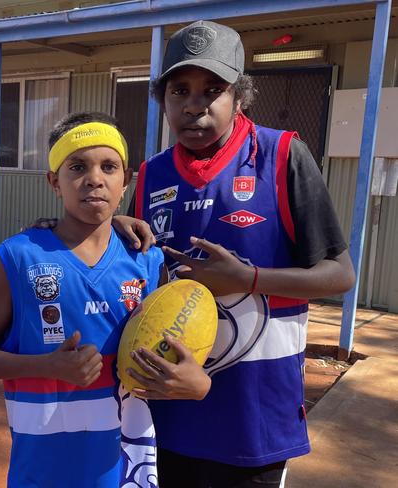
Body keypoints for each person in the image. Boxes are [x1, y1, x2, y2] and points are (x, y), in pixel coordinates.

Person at [129, 20, 356, 488]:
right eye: (179, 90)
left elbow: (338, 275)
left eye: (213, 89)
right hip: (166, 414)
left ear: (241, 96)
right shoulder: (151, 176)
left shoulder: (282, 155)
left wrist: (248, 279)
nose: (194, 106)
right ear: (163, 99)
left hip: (253, 420)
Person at [0, 112, 210, 488]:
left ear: (125, 181)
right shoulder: (19, 257)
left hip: (126, 467)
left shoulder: (146, 260)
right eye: (77, 166)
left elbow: (173, 354)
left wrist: (196, 384)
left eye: (109, 167)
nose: (94, 178)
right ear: (54, 182)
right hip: (42, 470)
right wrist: (48, 366)